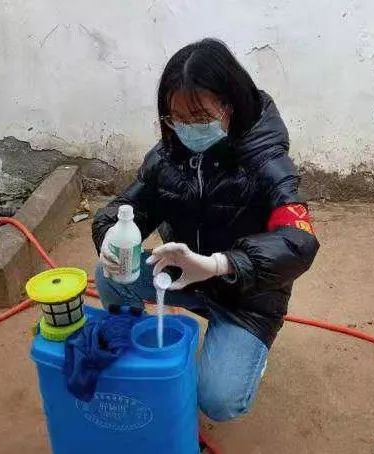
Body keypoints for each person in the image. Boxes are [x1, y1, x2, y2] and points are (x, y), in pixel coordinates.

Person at [92, 38, 319, 422]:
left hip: (247, 297)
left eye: (199, 117)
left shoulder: (267, 161)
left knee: (218, 399)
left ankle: (247, 355)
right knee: (111, 273)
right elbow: (128, 208)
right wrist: (110, 235)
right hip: (183, 275)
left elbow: (299, 240)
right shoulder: (167, 156)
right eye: (176, 118)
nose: (187, 128)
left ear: (230, 105)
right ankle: (133, 352)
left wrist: (220, 264)